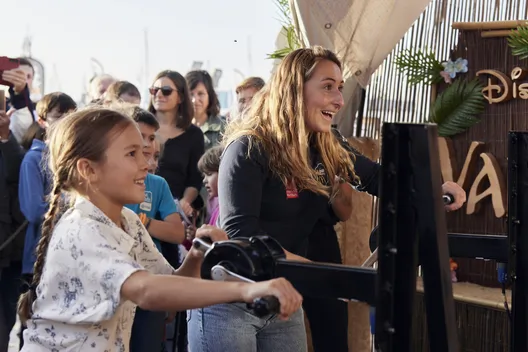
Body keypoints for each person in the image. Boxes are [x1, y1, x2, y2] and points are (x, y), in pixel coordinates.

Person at [16, 107, 302, 351]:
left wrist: (197, 254)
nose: (146, 165)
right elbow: (146, 291)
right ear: (88, 169)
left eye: (144, 153)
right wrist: (246, 291)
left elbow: (171, 283)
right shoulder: (82, 229)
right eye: (132, 154)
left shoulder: (128, 222)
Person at [109, 104, 184, 352]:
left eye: (152, 138)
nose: (149, 145)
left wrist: (141, 221)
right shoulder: (96, 200)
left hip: (150, 287)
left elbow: (177, 234)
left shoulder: (156, 185)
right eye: (142, 137)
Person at [0, 108, 26, 352]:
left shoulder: (9, 141)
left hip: (8, 249)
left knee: (6, 322)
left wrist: (5, 136)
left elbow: (16, 172)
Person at [185, 70, 225, 151]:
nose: (195, 100)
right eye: (190, 94)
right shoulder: (176, 128)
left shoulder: (224, 128)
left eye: (200, 94)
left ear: (209, 96)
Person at [197, 146, 223, 226]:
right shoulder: (217, 209)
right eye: (204, 175)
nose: (204, 180)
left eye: (209, 174)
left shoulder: (225, 212)